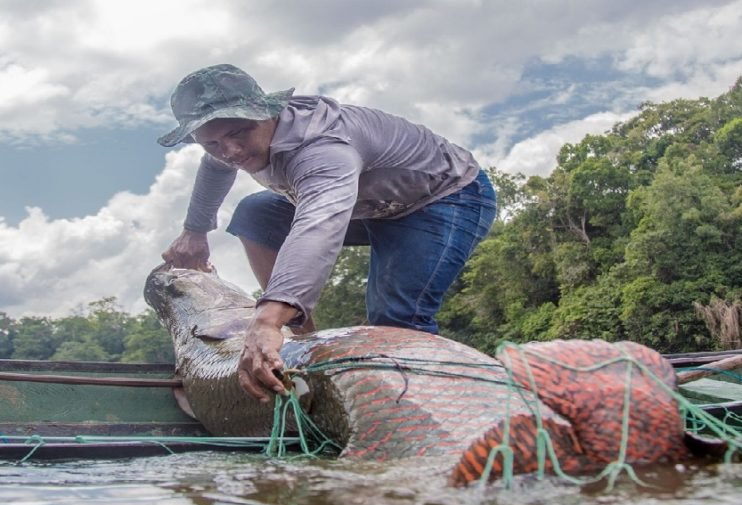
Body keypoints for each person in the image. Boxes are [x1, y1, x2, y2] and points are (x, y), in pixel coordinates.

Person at [158, 64, 496, 403]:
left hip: (442, 199)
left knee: (395, 320)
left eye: (238, 135)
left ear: (265, 113)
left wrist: (265, 320)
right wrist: (195, 231)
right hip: (366, 204)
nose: (230, 152)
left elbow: (318, 224)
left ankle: (428, 410)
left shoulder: (323, 148)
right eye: (213, 143)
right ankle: (304, 341)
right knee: (255, 214)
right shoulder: (228, 143)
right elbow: (216, 168)